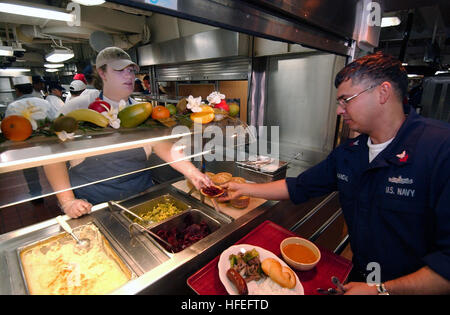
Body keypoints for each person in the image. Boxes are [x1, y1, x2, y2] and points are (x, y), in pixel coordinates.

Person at [219, 52, 450, 295]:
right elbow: (299, 186)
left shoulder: (439, 149)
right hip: (364, 276)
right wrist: (244, 187)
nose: (340, 110)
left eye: (346, 100)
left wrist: (381, 290)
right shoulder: (350, 153)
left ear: (383, 92)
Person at [44, 46, 212, 218]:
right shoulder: (77, 107)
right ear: (102, 73)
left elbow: (162, 145)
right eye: (119, 70)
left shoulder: (142, 109)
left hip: (141, 198)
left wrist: (192, 172)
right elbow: (52, 158)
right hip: (91, 204)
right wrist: (68, 201)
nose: (129, 76)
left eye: (131, 71)